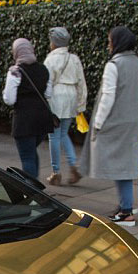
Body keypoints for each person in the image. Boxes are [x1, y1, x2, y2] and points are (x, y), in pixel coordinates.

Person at [81, 26, 138, 227]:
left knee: (121, 168)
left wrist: (98, 124)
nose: (108, 44)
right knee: (126, 166)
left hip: (117, 122)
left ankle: (126, 212)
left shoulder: (113, 65)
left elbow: (107, 97)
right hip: (135, 122)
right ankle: (124, 206)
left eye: (110, 40)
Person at [2, 38, 54, 179]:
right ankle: (36, 187)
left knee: (27, 157)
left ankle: (31, 189)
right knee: (31, 153)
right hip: (42, 119)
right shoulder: (44, 69)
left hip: (24, 120)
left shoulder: (15, 72)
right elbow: (49, 94)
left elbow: (9, 99)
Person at [43, 27, 87, 186]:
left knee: (53, 135)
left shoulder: (50, 59)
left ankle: (56, 172)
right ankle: (73, 164)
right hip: (71, 97)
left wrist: (45, 101)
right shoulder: (74, 58)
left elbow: (47, 82)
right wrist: (81, 104)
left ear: (54, 42)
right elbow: (81, 82)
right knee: (63, 133)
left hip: (56, 97)